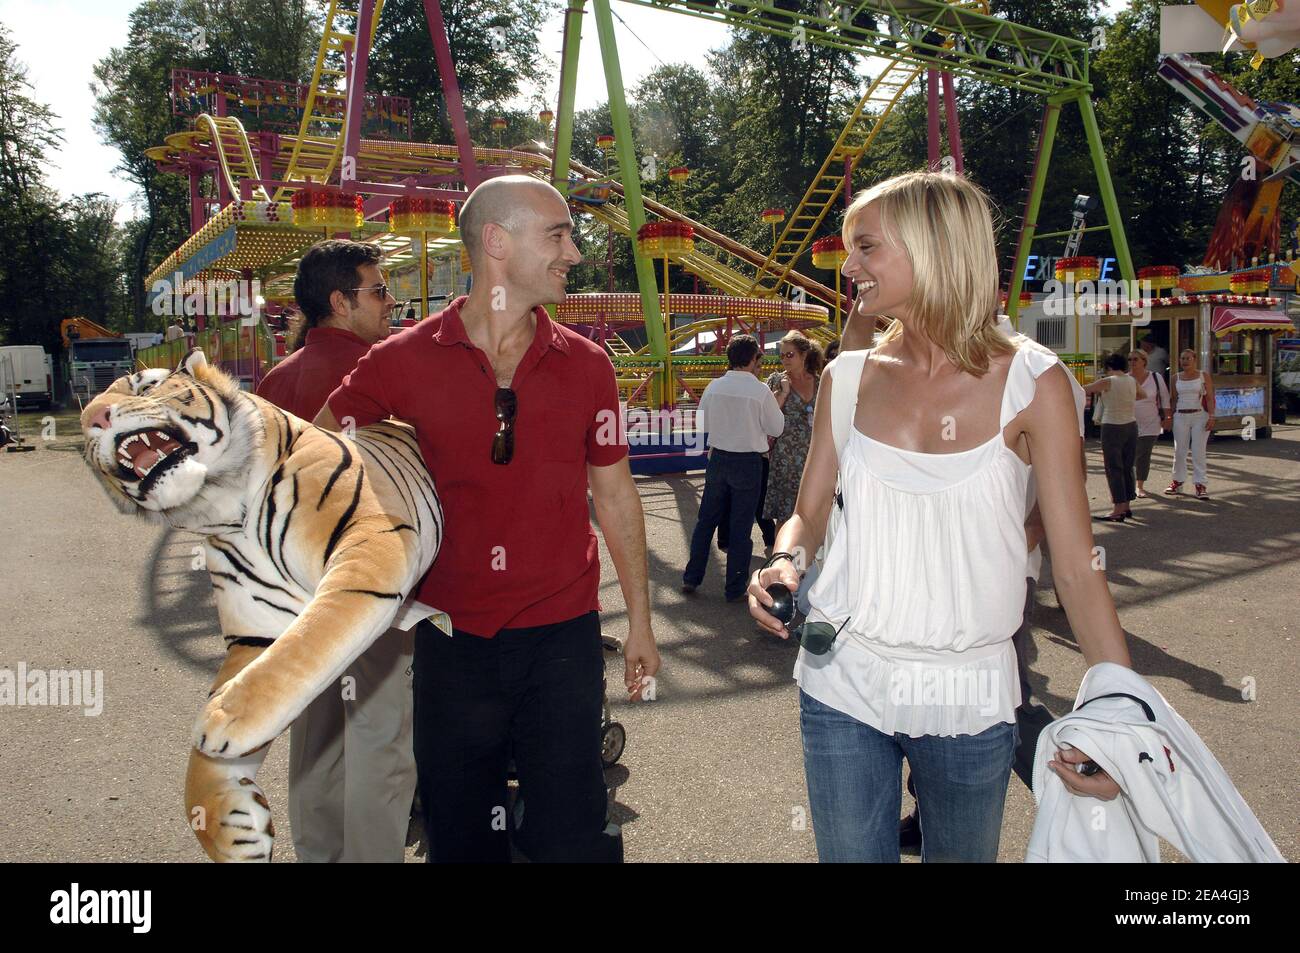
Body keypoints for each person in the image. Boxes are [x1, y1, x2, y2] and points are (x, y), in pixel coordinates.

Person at [748, 171, 1132, 863]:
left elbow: (1077, 569)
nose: (849, 264)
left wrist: (1119, 719)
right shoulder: (847, 376)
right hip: (842, 680)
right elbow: (807, 514)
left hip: (971, 692)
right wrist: (785, 559)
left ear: (932, 247)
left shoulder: (1035, 381)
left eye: (866, 247)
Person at [314, 176, 660, 863]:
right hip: (450, 640)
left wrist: (643, 624)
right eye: (557, 234)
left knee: (573, 832)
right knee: (463, 831)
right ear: (497, 242)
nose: (575, 253)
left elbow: (616, 493)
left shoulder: (588, 365)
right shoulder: (402, 360)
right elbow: (320, 455)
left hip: (563, 636)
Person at [252, 239, 412, 863]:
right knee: (380, 739)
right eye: (379, 290)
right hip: (373, 586)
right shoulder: (384, 371)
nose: (391, 302)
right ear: (341, 302)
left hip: (299, 588)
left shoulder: (276, 380)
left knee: (316, 736)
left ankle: (318, 855)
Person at [683, 334, 784, 602]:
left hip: (719, 458)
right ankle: (734, 587)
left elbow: (701, 425)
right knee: (741, 527)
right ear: (753, 359)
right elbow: (777, 427)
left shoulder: (714, 387)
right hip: (749, 461)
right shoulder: (760, 391)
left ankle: (692, 576)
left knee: (706, 521)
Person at [763, 330, 824, 529]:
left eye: (790, 355)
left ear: (804, 355)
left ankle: (813, 556)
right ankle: (783, 556)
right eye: (782, 355)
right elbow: (766, 415)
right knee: (785, 512)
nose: (785, 360)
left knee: (816, 510)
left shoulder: (821, 380)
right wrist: (783, 392)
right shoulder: (776, 380)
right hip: (786, 456)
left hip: (815, 454)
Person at [1083, 352, 1139, 522]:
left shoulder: (1108, 381)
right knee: (1128, 466)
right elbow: (1143, 395)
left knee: (1113, 468)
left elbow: (1084, 389)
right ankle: (1127, 505)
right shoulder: (1131, 380)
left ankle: (1118, 508)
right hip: (1131, 424)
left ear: (1109, 367)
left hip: (1112, 425)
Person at [1165, 348, 1216, 499]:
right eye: (1182, 358)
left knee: (1198, 451)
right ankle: (1177, 481)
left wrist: (1212, 416)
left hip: (1199, 415)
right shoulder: (1176, 378)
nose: (1185, 361)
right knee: (1179, 451)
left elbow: (1209, 397)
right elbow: (1173, 399)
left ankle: (1200, 484)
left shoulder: (1203, 376)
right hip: (1181, 415)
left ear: (1194, 360)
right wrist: (1169, 417)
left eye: (1188, 358)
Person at [1128, 347, 1169, 498]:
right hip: (1129, 422)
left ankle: (1140, 486)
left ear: (1144, 361)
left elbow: (1164, 398)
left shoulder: (1156, 377)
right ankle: (1129, 485)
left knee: (1143, 454)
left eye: (1135, 359)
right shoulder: (1125, 378)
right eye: (1130, 359)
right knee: (1129, 455)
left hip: (1151, 422)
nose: (1132, 362)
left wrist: (1167, 418)